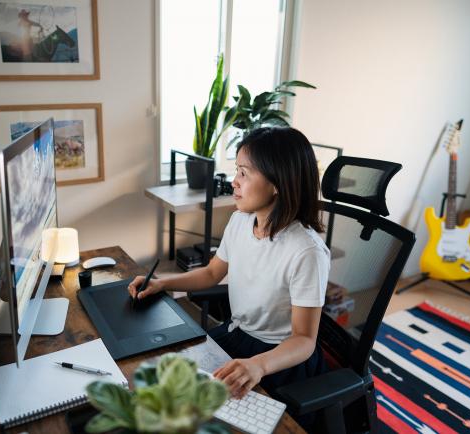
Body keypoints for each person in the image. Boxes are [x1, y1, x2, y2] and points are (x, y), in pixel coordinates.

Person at [128, 127, 329, 401]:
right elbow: (212, 272)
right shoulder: (241, 221)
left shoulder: (306, 251)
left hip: (278, 358)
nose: (234, 181)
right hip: (238, 333)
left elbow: (305, 340)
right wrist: (162, 283)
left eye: (244, 173)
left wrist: (259, 364)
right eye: (236, 170)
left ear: (277, 183)